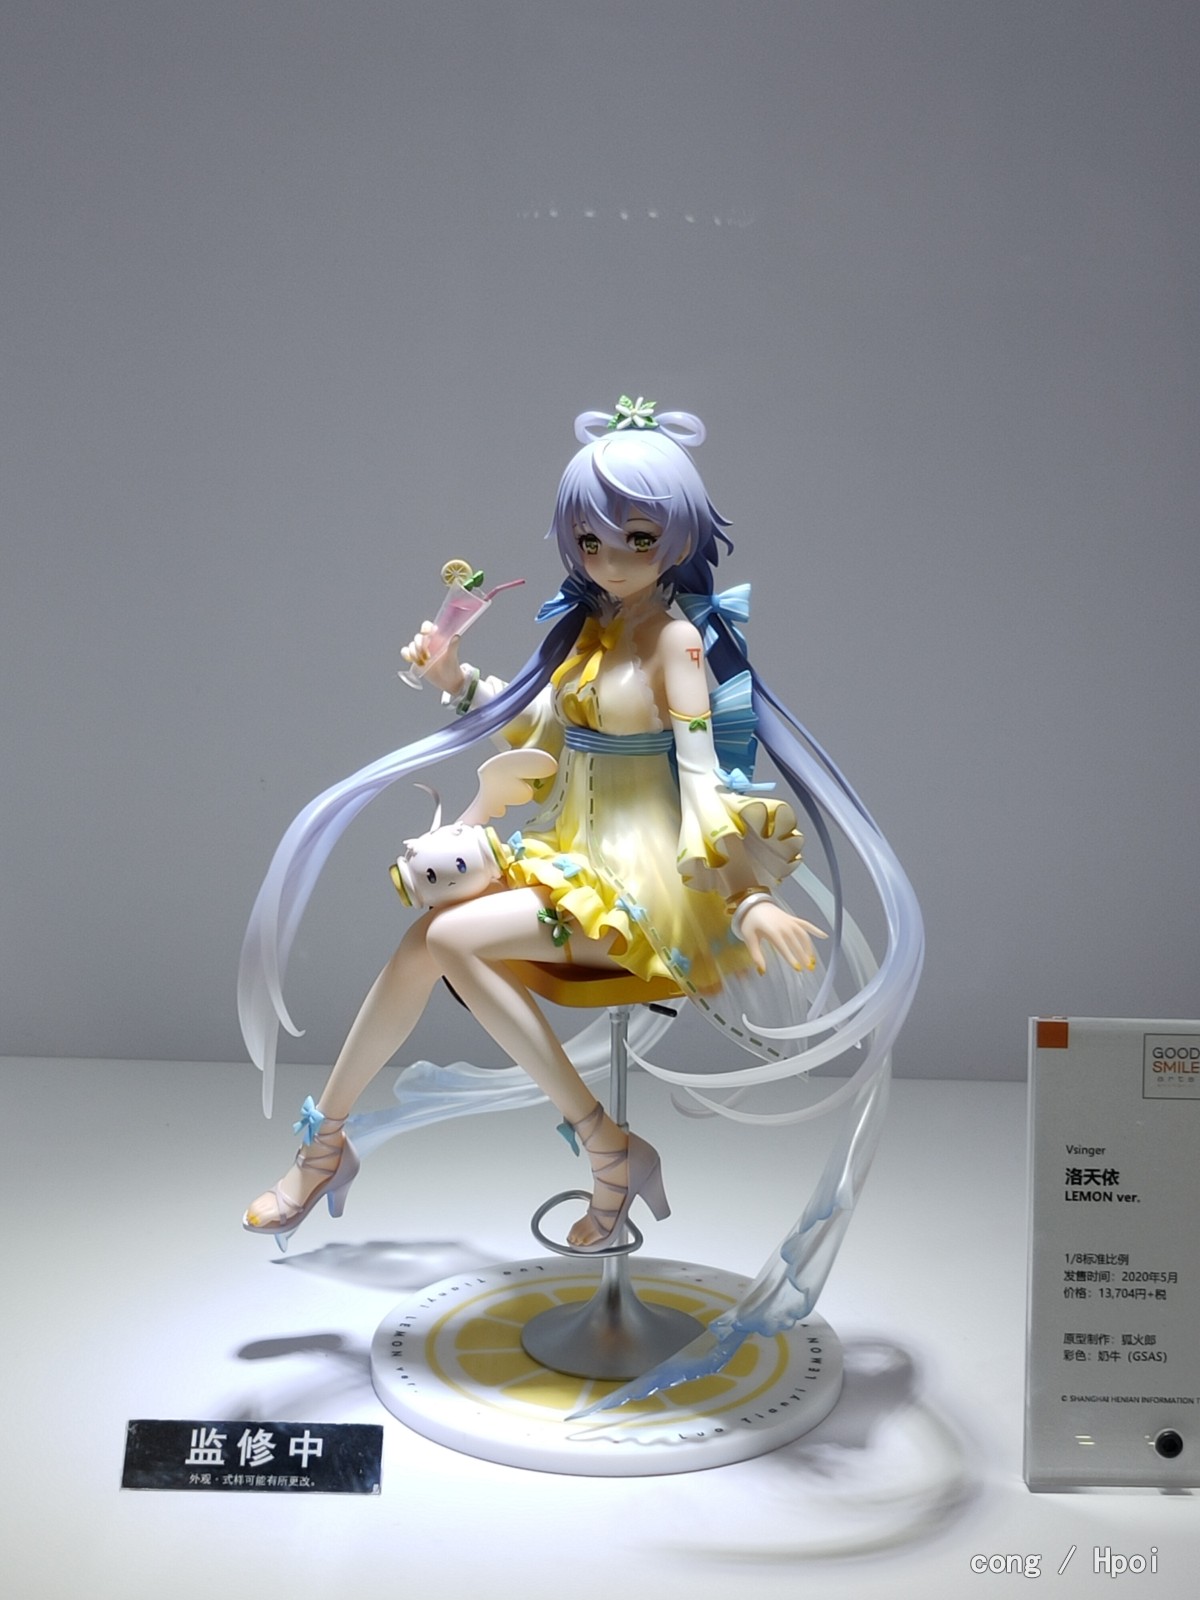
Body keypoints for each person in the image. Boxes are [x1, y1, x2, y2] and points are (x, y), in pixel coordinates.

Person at [239, 398, 920, 1280]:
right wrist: (456, 681)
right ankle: (332, 1145)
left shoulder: (677, 644)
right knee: (424, 943)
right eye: (591, 541)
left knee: (447, 938)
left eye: (638, 538)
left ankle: (598, 1148)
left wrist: (747, 895)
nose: (610, 559)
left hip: (649, 890)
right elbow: (539, 740)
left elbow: (706, 777)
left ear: (678, 538)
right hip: (570, 863)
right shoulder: (592, 633)